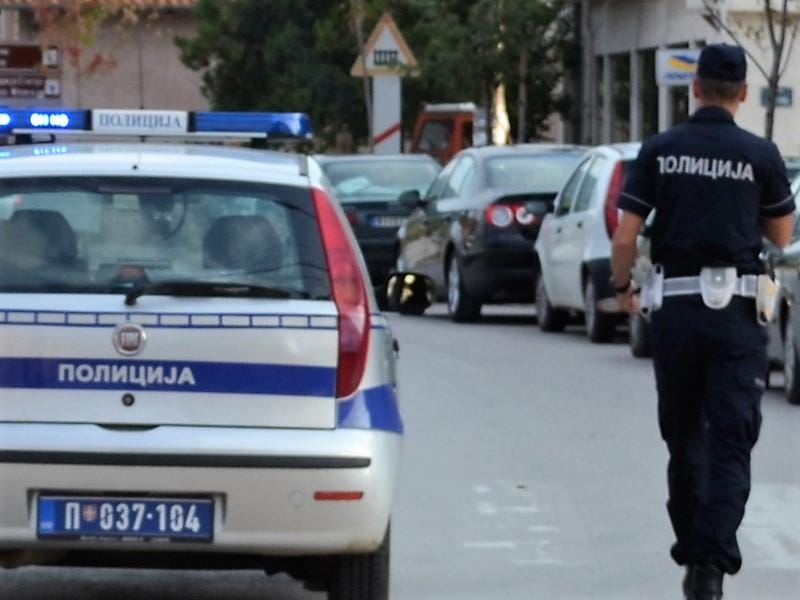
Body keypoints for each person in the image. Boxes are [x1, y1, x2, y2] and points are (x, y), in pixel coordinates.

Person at [610, 44, 795, 600]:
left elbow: (625, 236)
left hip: (678, 313)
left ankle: (692, 546)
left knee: (684, 436)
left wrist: (624, 290)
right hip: (737, 317)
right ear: (741, 93)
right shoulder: (760, 154)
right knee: (732, 441)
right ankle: (710, 566)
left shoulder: (661, 150)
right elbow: (782, 235)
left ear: (694, 89)